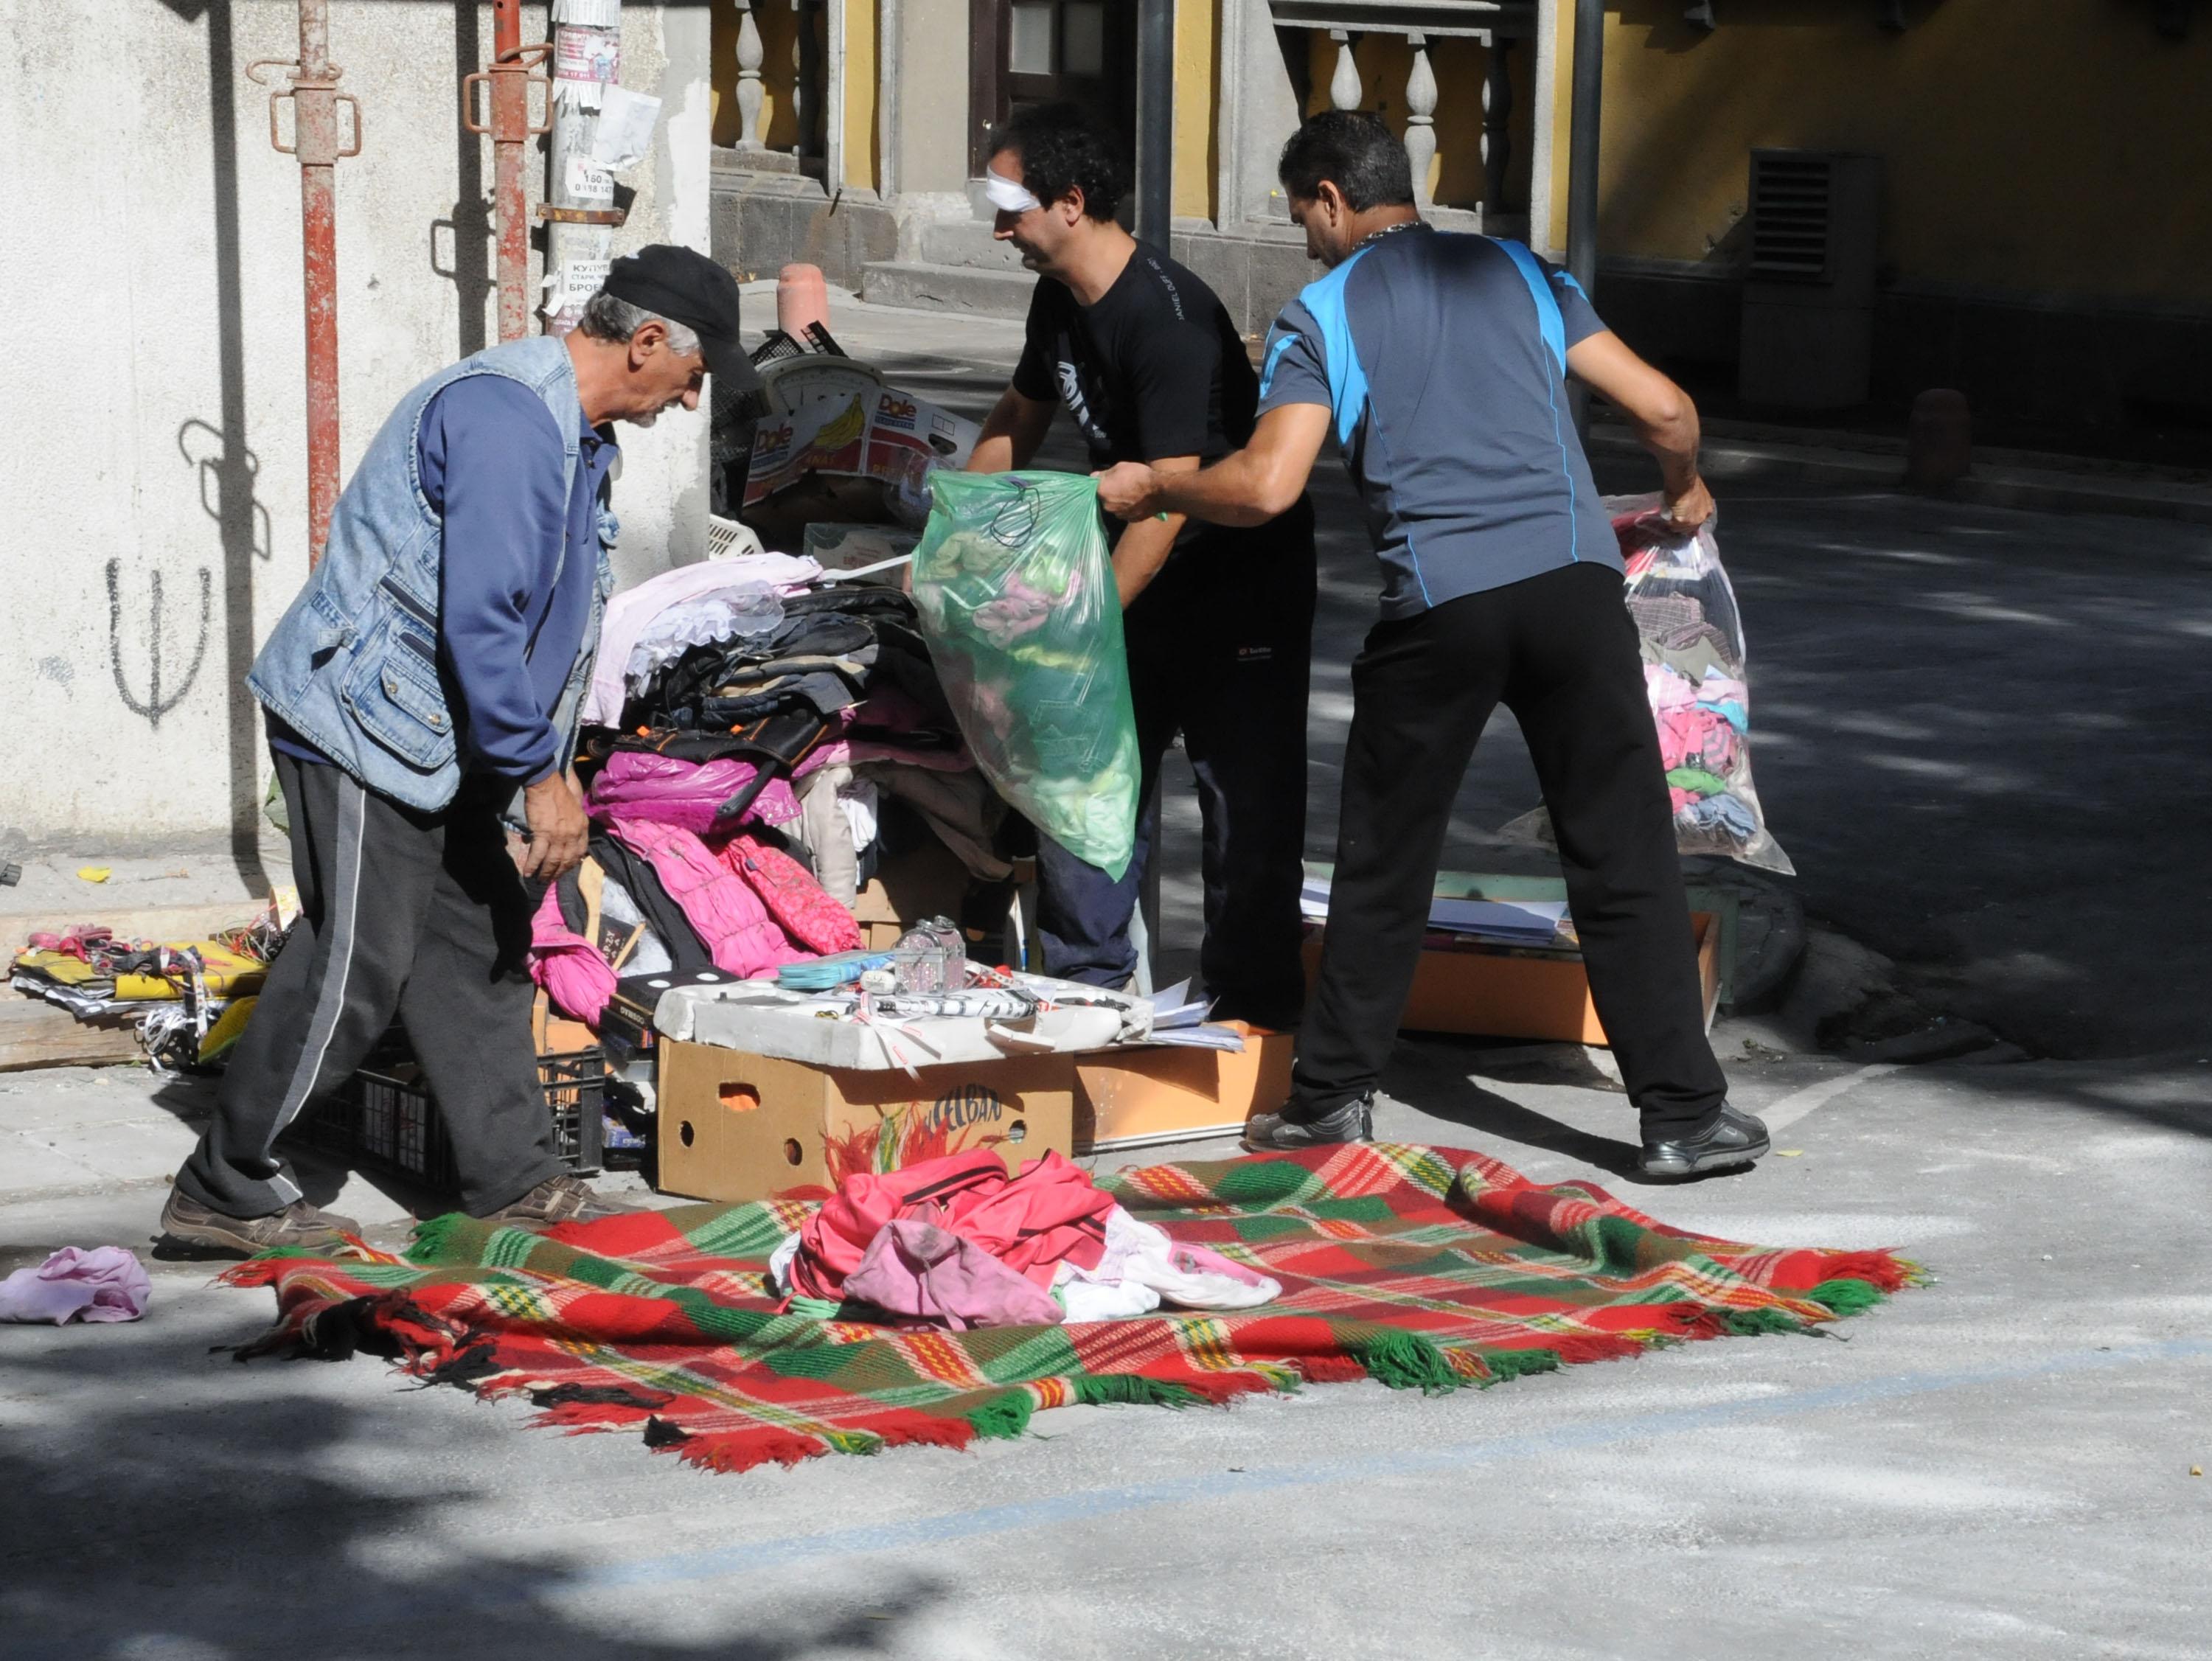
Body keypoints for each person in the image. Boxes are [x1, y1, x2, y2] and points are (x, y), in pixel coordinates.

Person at [1096, 114, 1768, 1180]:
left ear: (1329, 199)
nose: (1305, 240)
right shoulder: (1526, 273)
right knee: (1621, 848)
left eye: (1301, 217)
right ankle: (1684, 1116)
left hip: (1441, 608)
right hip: (1574, 590)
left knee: (1385, 859)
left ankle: (1328, 1103)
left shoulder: (1320, 314)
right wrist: (1684, 493)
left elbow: (1266, 486)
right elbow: (1666, 407)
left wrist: (1160, 481)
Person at [159, 246, 766, 1256]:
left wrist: (547, 760)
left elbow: (535, 623)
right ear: (649, 342)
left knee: (480, 947)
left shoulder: (574, 434)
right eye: (695, 378)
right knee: (356, 959)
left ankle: (517, 1178)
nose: (690, 401)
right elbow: (482, 621)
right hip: (370, 725)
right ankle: (222, 1187)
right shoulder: (506, 420)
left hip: (446, 734)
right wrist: (539, 776)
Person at [966, 104, 1318, 1030]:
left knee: (1241, 809)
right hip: (1130, 571)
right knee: (1085, 786)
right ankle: (1084, 995)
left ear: (1071, 202)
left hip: (1234, 586)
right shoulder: (1059, 299)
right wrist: (955, 541)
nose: (999, 228)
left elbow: (1166, 499)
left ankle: (1253, 1019)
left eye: (1011, 207)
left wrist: (1078, 626)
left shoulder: (1167, 323)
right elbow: (1017, 418)